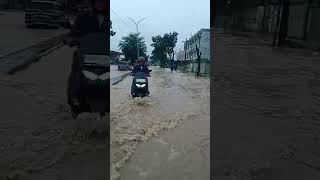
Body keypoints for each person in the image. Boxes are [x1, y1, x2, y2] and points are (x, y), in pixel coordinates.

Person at [67, 0, 108, 108]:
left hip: (105, 54)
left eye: (104, 2)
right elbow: (73, 32)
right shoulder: (82, 17)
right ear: (93, 3)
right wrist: (70, 39)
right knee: (76, 71)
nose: (101, 4)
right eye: (98, 2)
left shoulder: (111, 18)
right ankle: (74, 95)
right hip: (85, 53)